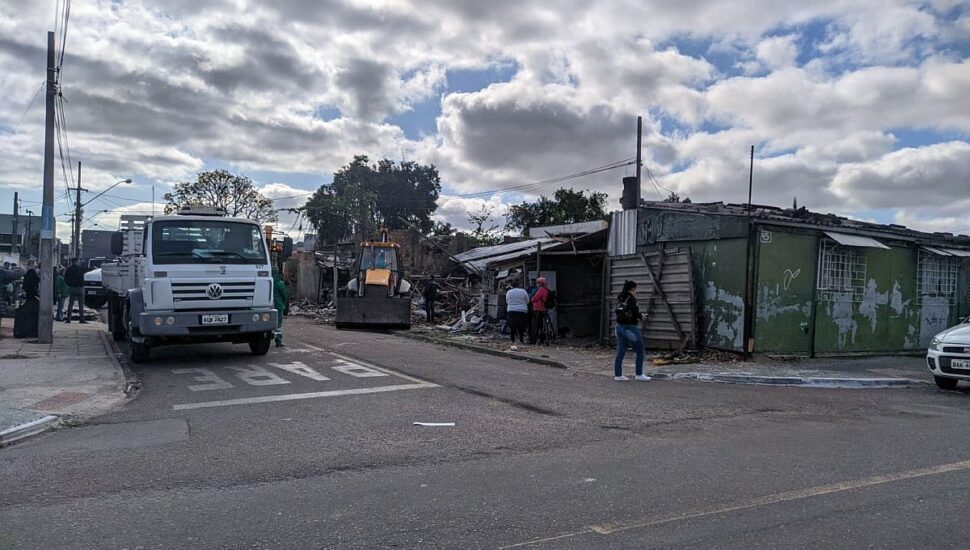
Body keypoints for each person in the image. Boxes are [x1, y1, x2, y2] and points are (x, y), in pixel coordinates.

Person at [614, 280, 650, 381]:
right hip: (630, 328)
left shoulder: (621, 298)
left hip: (619, 328)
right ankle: (639, 374)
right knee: (640, 349)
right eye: (635, 289)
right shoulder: (631, 299)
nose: (636, 291)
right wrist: (641, 316)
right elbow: (634, 312)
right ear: (632, 289)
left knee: (620, 351)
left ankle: (618, 375)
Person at [505, 279, 529, 344]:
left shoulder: (509, 292)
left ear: (512, 286)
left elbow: (507, 301)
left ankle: (512, 339)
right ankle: (521, 339)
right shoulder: (523, 291)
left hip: (511, 310)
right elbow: (527, 301)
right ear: (518, 285)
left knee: (512, 326)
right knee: (521, 326)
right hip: (522, 310)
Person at [64, 258, 86, 324]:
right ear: (76, 262)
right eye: (78, 261)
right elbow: (86, 273)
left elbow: (65, 278)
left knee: (70, 304)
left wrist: (70, 284)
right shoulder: (81, 268)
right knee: (81, 304)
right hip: (80, 287)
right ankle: (81, 319)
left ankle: (68, 319)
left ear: (72, 262)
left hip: (72, 287)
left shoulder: (69, 269)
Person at [529, 277, 550, 345]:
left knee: (535, 326)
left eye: (538, 283)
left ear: (541, 283)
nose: (537, 284)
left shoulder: (541, 289)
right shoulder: (546, 289)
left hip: (538, 309)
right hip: (542, 309)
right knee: (541, 325)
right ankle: (541, 340)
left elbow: (535, 298)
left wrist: (532, 299)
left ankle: (533, 340)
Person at [272, 266, 288, 347]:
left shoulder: (268, 282)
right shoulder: (280, 283)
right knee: (278, 325)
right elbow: (284, 295)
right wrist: (283, 303)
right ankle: (278, 340)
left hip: (269, 307)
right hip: (278, 306)